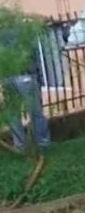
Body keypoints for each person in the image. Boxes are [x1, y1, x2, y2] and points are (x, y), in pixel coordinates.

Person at [1, 21, 51, 152]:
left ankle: (20, 145)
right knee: (35, 111)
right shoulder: (24, 33)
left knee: (13, 114)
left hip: (8, 77)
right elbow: (34, 55)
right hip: (25, 76)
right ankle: (42, 143)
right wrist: (38, 76)